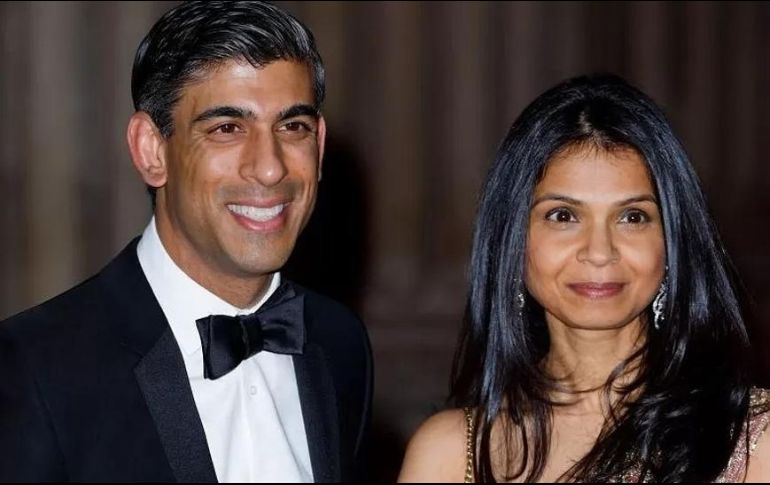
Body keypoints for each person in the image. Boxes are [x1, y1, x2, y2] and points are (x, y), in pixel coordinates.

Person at [0, 1, 372, 482]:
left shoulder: (339, 343)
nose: (270, 167)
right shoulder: (33, 369)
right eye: (226, 129)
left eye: (292, 126)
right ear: (152, 151)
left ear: (318, 146)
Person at [398, 74, 770, 482]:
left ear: (672, 241)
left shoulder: (752, 439)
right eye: (563, 216)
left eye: (632, 217)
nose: (599, 251)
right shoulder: (450, 453)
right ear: (513, 238)